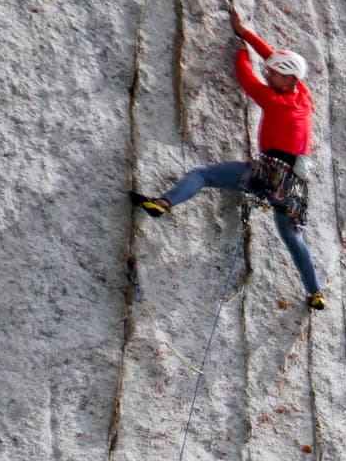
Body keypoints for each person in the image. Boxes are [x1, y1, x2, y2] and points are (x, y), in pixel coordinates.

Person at [135, 19, 328, 307]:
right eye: (269, 73)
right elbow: (273, 58)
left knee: (202, 176)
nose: (268, 77)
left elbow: (245, 77)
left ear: (288, 80)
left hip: (269, 172)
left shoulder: (271, 99)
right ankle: (315, 293)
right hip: (295, 185)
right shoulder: (303, 97)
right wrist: (247, 34)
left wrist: (241, 50)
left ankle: (163, 203)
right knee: (292, 237)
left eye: (274, 75)